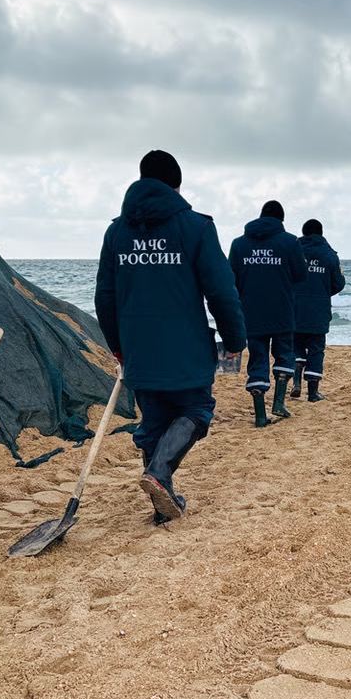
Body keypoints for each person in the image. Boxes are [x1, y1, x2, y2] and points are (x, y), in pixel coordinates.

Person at [95, 150, 246, 523]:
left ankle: (162, 506)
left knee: (154, 423)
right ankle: (159, 474)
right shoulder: (195, 227)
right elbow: (221, 290)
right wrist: (235, 337)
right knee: (195, 410)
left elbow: (105, 297)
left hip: (138, 348)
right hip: (185, 345)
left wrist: (117, 345)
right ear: (176, 186)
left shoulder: (117, 232)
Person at [228, 201, 308, 427]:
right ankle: (279, 404)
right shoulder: (290, 242)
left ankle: (260, 416)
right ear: (281, 220)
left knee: (257, 360)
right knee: (284, 355)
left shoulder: (239, 244)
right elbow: (301, 275)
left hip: (250, 313)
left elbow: (230, 279)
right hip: (282, 310)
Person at [291, 219, 346, 401]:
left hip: (294, 308)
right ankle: (313, 393)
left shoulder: (293, 251)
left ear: (303, 232)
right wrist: (322, 291)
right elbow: (338, 284)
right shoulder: (329, 255)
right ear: (321, 234)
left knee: (296, 345)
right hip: (318, 309)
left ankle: (296, 379)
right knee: (316, 349)